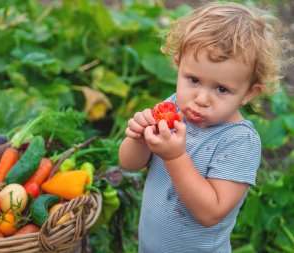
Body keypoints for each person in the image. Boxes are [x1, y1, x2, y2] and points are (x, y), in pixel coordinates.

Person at [119, 2, 283, 252]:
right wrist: (139, 140)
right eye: (193, 80)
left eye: (221, 89)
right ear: (178, 64)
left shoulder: (239, 142)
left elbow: (210, 213)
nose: (202, 99)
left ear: (249, 93)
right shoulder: (172, 106)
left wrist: (175, 156)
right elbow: (129, 163)